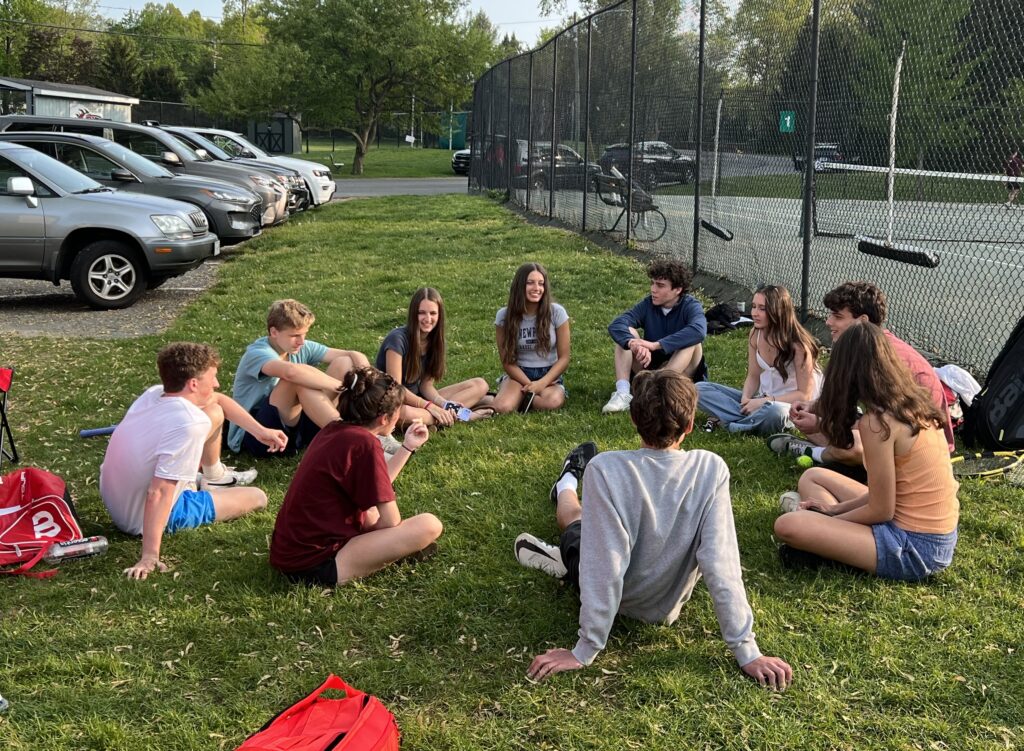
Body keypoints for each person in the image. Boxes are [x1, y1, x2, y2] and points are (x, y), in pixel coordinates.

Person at [514, 369, 793, 690]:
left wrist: (584, 650)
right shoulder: (710, 468)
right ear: (689, 426)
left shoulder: (604, 468)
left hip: (613, 592)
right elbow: (721, 563)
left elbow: (603, 564)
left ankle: (566, 482)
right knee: (580, 531)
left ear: (633, 420)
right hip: (664, 606)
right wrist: (747, 651)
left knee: (574, 520)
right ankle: (565, 495)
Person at [773, 322, 959, 580]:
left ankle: (827, 545)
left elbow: (881, 510)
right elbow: (883, 498)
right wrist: (833, 511)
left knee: (788, 525)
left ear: (846, 372)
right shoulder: (911, 404)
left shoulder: (877, 423)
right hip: (935, 536)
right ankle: (831, 539)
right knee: (812, 477)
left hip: (914, 547)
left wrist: (828, 521)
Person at [100, 343, 288, 580]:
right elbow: (158, 493)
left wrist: (260, 431)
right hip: (140, 518)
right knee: (258, 497)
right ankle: (198, 487)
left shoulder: (153, 394)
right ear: (193, 384)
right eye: (213, 377)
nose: (217, 383)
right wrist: (149, 556)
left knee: (215, 410)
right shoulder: (190, 423)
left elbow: (218, 399)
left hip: (117, 498)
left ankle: (214, 477)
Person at [270, 367, 443, 586]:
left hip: (287, 553)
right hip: (316, 566)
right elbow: (391, 520)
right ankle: (380, 556)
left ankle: (380, 551)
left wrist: (407, 447)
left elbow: (376, 486)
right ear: (384, 418)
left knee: (371, 511)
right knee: (429, 525)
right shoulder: (364, 444)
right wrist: (381, 537)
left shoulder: (335, 429)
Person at [768, 282, 953, 472]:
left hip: (910, 453)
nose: (828, 322)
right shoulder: (867, 345)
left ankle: (814, 453)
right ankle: (825, 450)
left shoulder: (882, 362)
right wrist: (814, 407)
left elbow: (886, 427)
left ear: (862, 321)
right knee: (820, 428)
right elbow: (845, 402)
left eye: (838, 316)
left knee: (847, 449)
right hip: (887, 431)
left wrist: (821, 425)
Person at [228, 299, 370, 458]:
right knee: (297, 379)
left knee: (344, 362)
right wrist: (342, 386)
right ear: (274, 332)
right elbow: (290, 373)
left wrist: (369, 379)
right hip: (257, 435)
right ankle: (352, 439)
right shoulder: (257, 353)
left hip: (294, 425)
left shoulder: (299, 346)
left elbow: (351, 355)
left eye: (304, 334)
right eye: (295, 335)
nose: (301, 341)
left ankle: (362, 428)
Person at [696, 285, 821, 435]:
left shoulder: (798, 346)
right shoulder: (755, 334)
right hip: (761, 400)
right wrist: (746, 398)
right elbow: (753, 375)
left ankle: (732, 425)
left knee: (776, 413)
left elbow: (804, 395)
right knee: (699, 389)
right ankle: (748, 419)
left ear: (778, 311)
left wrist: (764, 402)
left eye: (762, 309)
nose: (754, 313)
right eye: (754, 306)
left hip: (789, 406)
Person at [375, 287, 491, 427]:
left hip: (419, 399)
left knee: (480, 385)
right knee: (401, 414)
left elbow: (426, 385)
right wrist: (430, 406)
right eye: (422, 313)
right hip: (394, 402)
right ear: (413, 314)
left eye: (433, 313)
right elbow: (396, 389)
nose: (428, 319)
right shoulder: (397, 339)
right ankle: (462, 415)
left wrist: (442, 403)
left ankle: (442, 416)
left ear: (439, 315)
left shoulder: (435, 341)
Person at [602, 259, 707, 414]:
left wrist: (656, 345)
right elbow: (617, 324)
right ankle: (623, 393)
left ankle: (663, 391)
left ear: (678, 289)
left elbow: (699, 331)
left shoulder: (691, 306)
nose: (653, 289)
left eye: (660, 285)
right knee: (627, 335)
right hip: (650, 367)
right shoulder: (648, 304)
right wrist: (633, 343)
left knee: (692, 342)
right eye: (652, 283)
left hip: (681, 373)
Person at [491, 262, 571, 414]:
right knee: (502, 407)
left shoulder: (557, 312)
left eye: (541, 284)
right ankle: (509, 396)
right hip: (519, 373)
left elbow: (564, 358)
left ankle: (518, 398)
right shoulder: (503, 316)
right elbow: (507, 361)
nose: (537, 288)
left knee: (551, 402)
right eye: (530, 283)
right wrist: (530, 385)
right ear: (520, 286)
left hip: (549, 376)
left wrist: (542, 383)